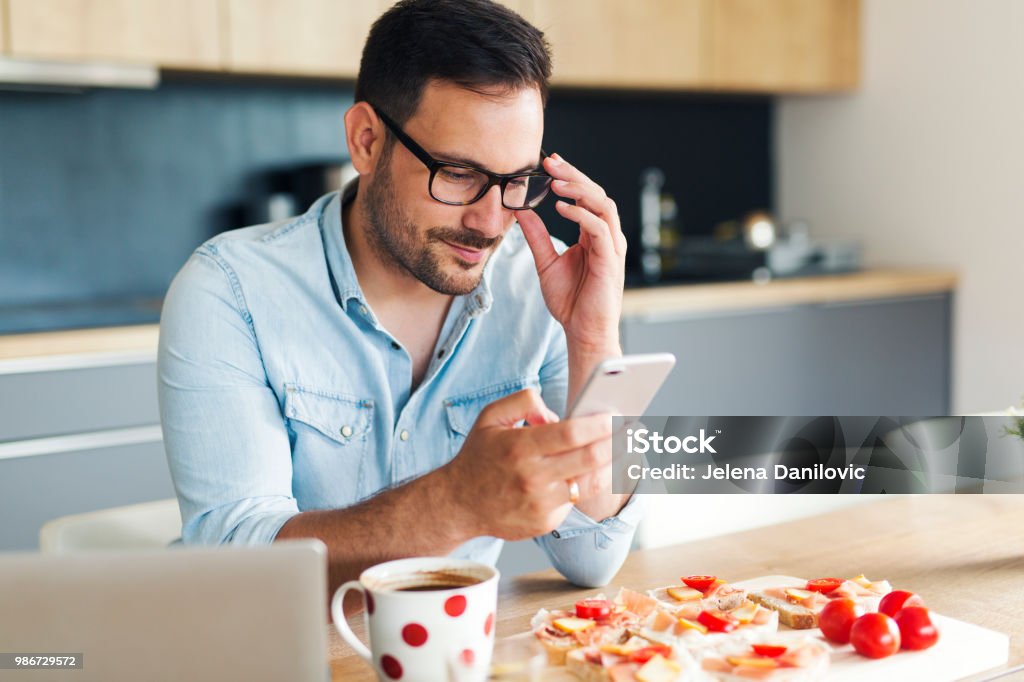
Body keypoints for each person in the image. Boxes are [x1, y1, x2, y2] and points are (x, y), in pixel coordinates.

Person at [158, 0, 641, 595]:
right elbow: (237, 574)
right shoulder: (231, 291)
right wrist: (455, 503)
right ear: (366, 140)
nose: (491, 221)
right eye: (459, 173)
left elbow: (594, 555)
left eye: (517, 182)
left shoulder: (537, 289)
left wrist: (594, 340)